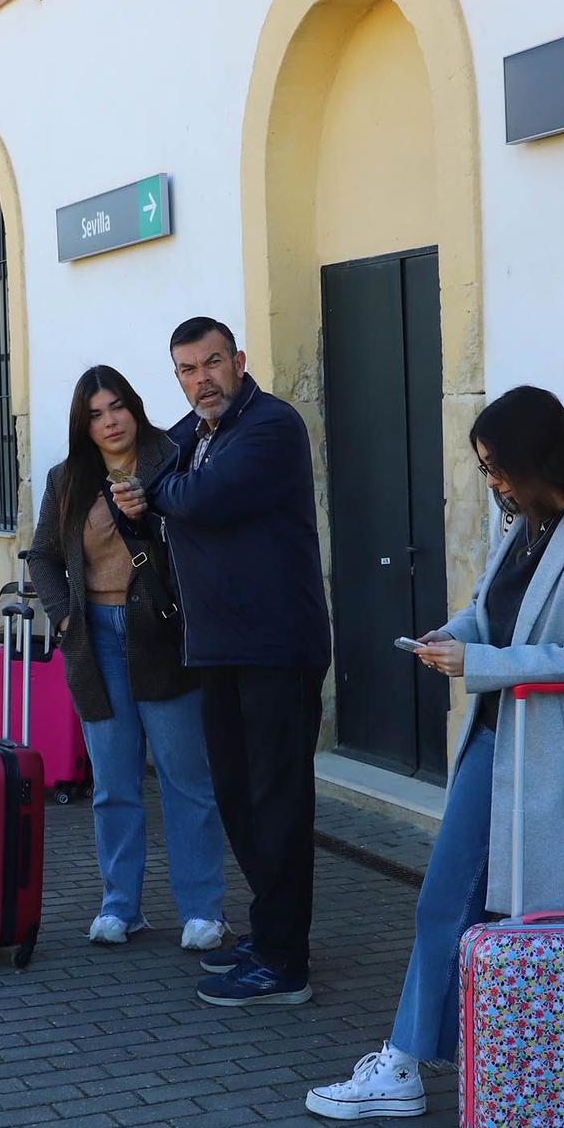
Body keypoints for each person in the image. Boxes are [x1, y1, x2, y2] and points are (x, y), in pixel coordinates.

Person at [304, 386, 564, 1121]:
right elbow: (489, 609)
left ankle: (498, 1073)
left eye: (497, 466)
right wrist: (451, 636)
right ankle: (439, 1063)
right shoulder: (524, 521)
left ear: (535, 456)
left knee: (523, 920)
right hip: (500, 740)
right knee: (457, 904)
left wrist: (478, 666)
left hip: (556, 757)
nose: (491, 481)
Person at [111, 317, 331, 1008]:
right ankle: (268, 934)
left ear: (237, 360)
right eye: (186, 369)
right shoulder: (194, 435)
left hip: (276, 645)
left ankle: (285, 962)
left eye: (210, 364)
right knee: (237, 795)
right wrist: (143, 498)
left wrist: (153, 497)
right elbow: (143, 489)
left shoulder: (271, 426)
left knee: (279, 801)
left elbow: (202, 500)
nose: (200, 380)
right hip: (218, 646)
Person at [31, 365, 228, 951]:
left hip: (161, 633)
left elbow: (202, 535)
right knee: (114, 782)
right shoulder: (66, 478)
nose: (109, 421)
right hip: (94, 639)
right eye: (95, 414)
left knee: (184, 778)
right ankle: (121, 905)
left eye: (116, 406)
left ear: (133, 407)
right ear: (82, 424)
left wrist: (152, 513)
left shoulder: (174, 456)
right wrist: (63, 616)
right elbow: (42, 555)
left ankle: (202, 910)